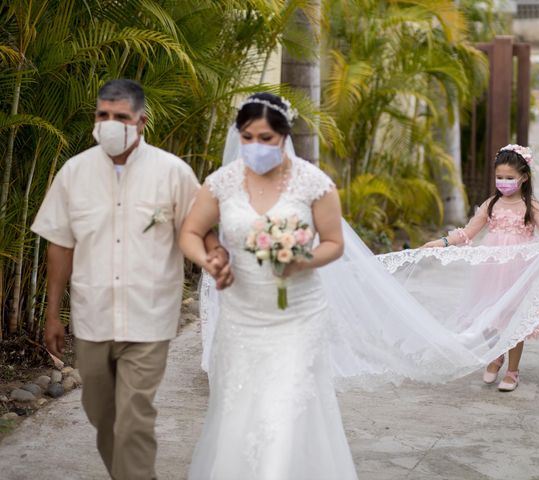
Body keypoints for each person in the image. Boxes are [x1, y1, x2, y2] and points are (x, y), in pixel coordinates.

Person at [31, 79, 231, 480]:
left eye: (120, 117)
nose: (109, 123)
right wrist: (52, 314)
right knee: (103, 416)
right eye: (102, 115)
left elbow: (200, 225)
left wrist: (214, 251)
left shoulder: (172, 172)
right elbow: (60, 245)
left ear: (139, 122)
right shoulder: (74, 173)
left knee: (135, 418)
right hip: (92, 315)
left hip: (150, 315)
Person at [180, 93, 358, 479]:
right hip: (241, 316)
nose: (255, 147)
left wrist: (301, 259)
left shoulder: (313, 183)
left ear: (284, 137)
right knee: (241, 408)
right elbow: (191, 231)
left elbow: (334, 243)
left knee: (284, 410)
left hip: (298, 315)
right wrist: (208, 260)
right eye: (247, 137)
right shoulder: (222, 183)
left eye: (265, 139)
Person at [422, 144, 539, 392]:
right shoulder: (491, 204)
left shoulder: (531, 205)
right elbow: (468, 233)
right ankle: (495, 355)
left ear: (524, 177)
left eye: (509, 178)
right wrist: (442, 242)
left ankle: (513, 369)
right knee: (489, 315)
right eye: (499, 177)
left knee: (514, 319)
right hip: (491, 269)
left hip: (519, 270)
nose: (504, 182)